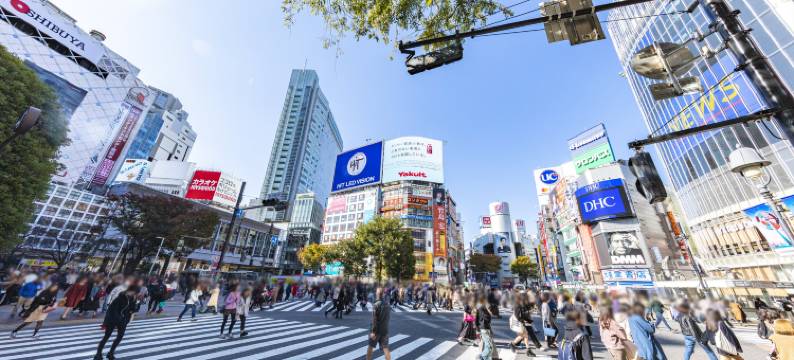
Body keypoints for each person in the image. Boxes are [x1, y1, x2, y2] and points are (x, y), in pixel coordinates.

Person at [94, 284, 139, 360]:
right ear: (131, 291)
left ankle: (111, 353)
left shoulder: (132, 298)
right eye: (135, 292)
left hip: (123, 320)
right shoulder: (120, 297)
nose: (136, 294)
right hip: (113, 320)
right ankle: (98, 354)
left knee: (120, 336)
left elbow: (132, 310)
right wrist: (118, 319)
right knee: (106, 336)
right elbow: (112, 310)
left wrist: (134, 307)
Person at [366, 288, 392, 360]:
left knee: (370, 347)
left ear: (377, 294)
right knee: (385, 348)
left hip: (376, 331)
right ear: (383, 294)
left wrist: (373, 331)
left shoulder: (376, 305)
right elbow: (388, 317)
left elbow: (374, 319)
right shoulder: (387, 304)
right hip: (385, 330)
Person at [477, 295, 498, 360]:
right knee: (489, 347)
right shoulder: (481, 308)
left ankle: (494, 358)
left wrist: (490, 330)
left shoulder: (484, 308)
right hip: (484, 329)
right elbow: (479, 320)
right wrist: (477, 330)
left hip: (485, 328)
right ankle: (482, 357)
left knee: (489, 344)